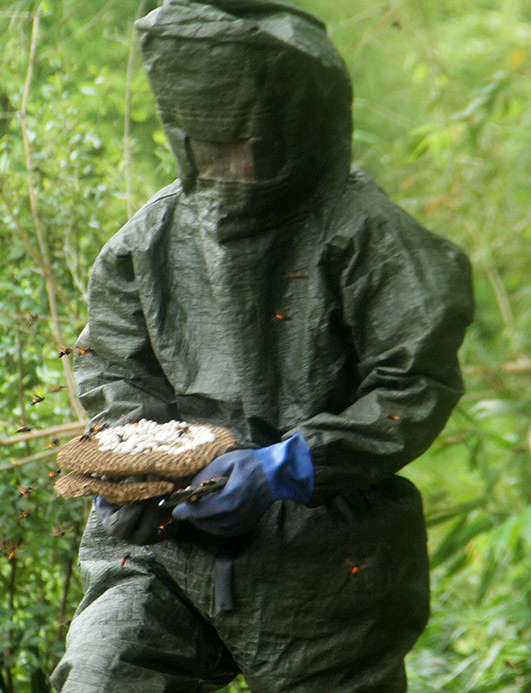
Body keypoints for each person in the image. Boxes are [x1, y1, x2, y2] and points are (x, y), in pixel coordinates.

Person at [50, 1, 474, 691]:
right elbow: (114, 370)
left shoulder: (366, 236)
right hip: (169, 553)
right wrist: (134, 469)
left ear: (294, 128)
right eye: (210, 143)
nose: (231, 163)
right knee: (103, 673)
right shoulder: (148, 243)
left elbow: (415, 386)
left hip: (327, 561)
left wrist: (288, 465)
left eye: (247, 141)